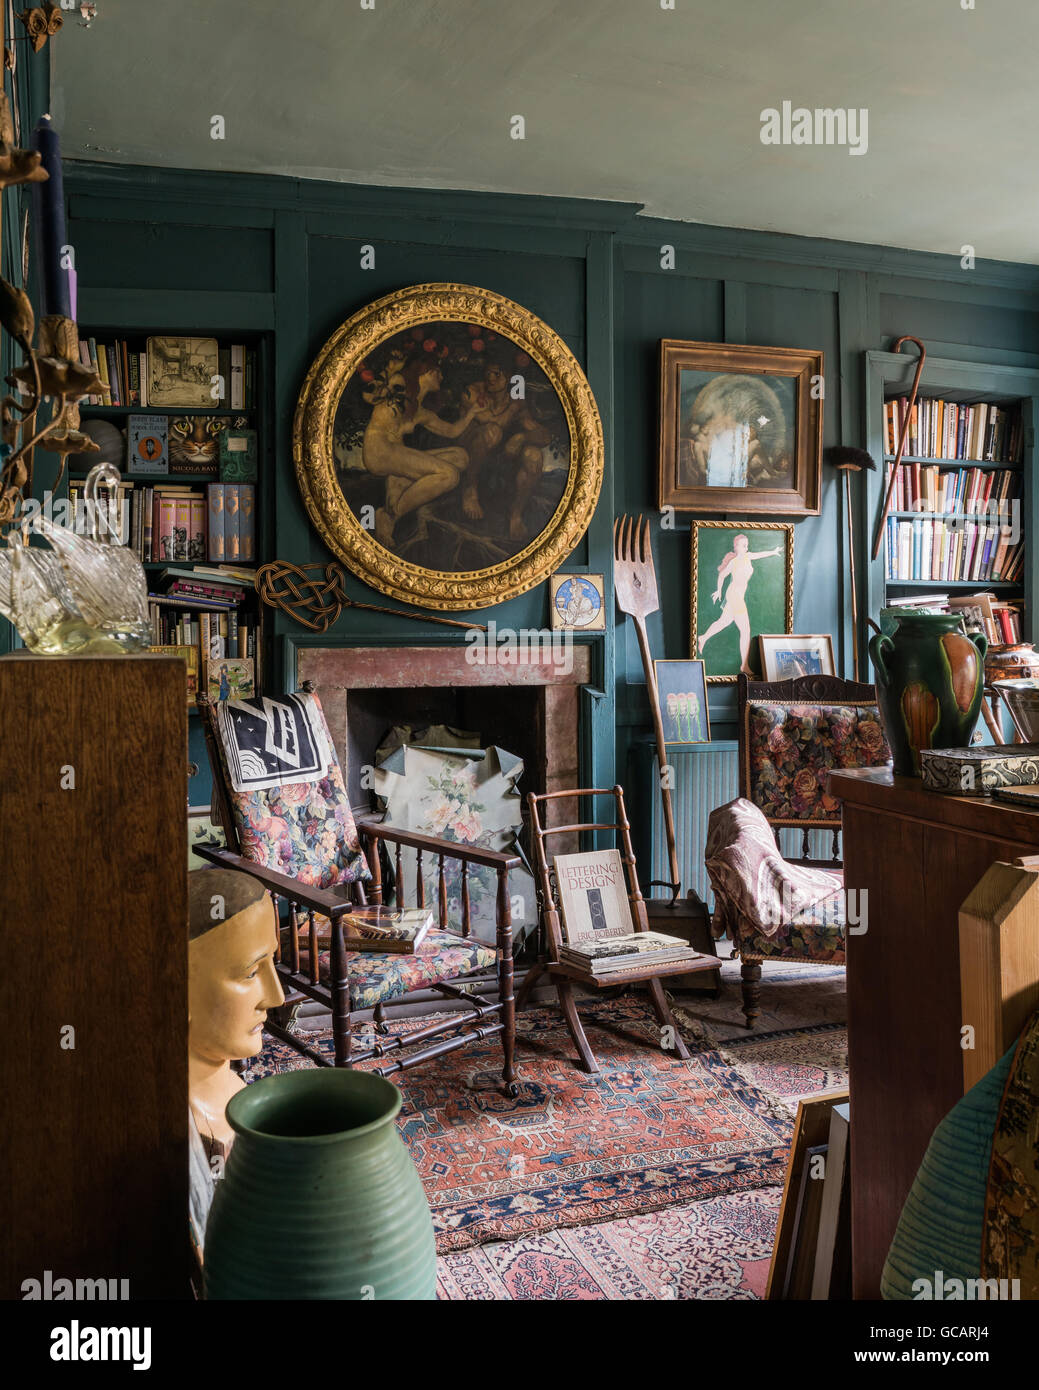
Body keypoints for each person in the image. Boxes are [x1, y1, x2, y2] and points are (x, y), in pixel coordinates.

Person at [362, 360, 481, 546]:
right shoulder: (398, 384)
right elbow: (369, 395)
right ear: (423, 371)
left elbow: (451, 431)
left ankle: (401, 481)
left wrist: (472, 412)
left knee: (461, 457)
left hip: (396, 455)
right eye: (437, 372)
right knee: (450, 475)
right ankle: (390, 516)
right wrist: (390, 367)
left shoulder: (420, 411)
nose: (441, 377)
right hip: (379, 451)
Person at [697, 533, 783, 674]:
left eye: (746, 545)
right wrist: (718, 591)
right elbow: (722, 575)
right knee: (745, 630)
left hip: (735, 596)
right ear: (736, 547)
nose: (746, 547)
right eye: (743, 545)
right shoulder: (734, 562)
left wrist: (773, 552)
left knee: (723, 622)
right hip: (735, 596)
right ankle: (744, 666)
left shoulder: (748, 557)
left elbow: (760, 554)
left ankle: (703, 637)